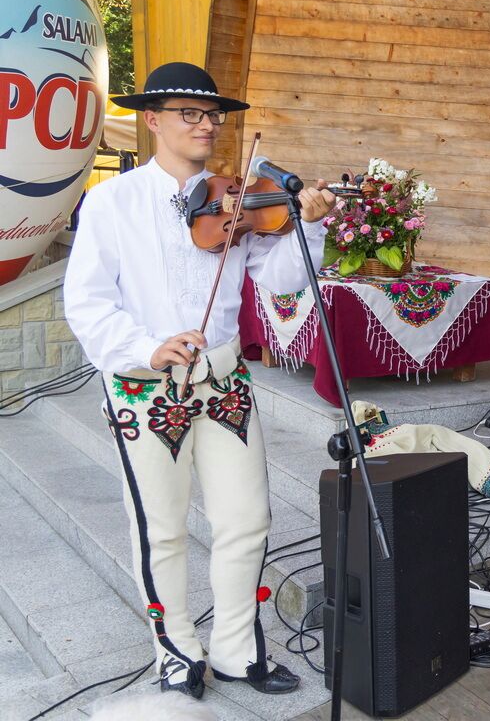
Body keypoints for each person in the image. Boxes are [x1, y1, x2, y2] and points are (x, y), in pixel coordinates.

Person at [64, 63, 334, 699]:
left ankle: (238, 650)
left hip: (224, 379)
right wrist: (145, 346)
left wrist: (309, 222)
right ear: (152, 121)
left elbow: (282, 282)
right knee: (160, 526)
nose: (206, 124)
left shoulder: (237, 199)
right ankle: (177, 651)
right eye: (189, 113)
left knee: (247, 517)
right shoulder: (112, 202)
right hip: (146, 384)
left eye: (212, 114)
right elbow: (87, 301)